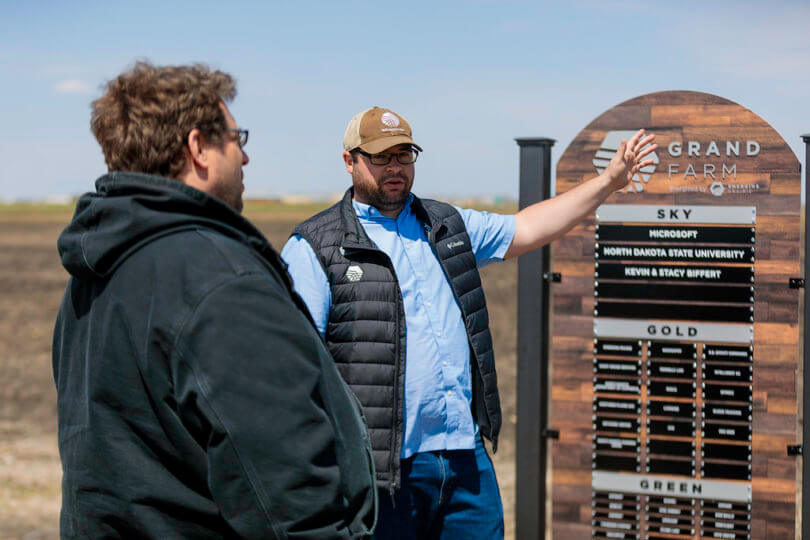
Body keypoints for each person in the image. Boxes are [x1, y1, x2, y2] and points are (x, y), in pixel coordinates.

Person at [281, 106, 656, 539]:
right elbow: (294, 368)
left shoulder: (445, 225)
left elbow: (528, 227)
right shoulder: (315, 247)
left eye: (404, 155)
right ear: (349, 161)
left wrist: (608, 182)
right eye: (381, 157)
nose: (395, 168)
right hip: (381, 470)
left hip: (465, 458)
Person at [52, 62, 376, 539]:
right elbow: (290, 491)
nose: (245, 159)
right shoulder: (223, 282)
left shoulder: (93, 271)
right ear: (198, 147)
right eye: (235, 138)